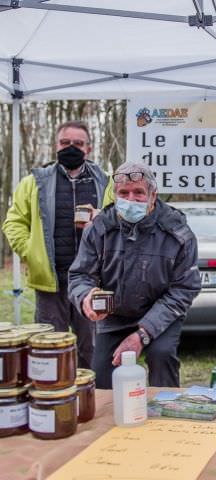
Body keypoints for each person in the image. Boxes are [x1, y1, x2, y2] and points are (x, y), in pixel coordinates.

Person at [68, 162, 201, 388]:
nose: (131, 199)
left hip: (161, 314)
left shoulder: (178, 234)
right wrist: (86, 297)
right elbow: (79, 275)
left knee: (162, 357)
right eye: (124, 193)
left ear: (153, 195)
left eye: (139, 192)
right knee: (100, 376)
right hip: (114, 316)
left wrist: (143, 334)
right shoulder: (98, 229)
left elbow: (184, 289)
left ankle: (167, 415)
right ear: (115, 195)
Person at [3, 120, 113, 368]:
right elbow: (13, 223)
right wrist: (31, 252)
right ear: (56, 145)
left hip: (92, 281)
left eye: (78, 143)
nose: (71, 148)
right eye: (65, 143)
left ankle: (91, 400)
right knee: (50, 348)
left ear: (89, 148)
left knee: (92, 349)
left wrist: (101, 220)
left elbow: (120, 222)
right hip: (52, 281)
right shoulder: (33, 182)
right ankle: (54, 402)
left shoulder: (106, 182)